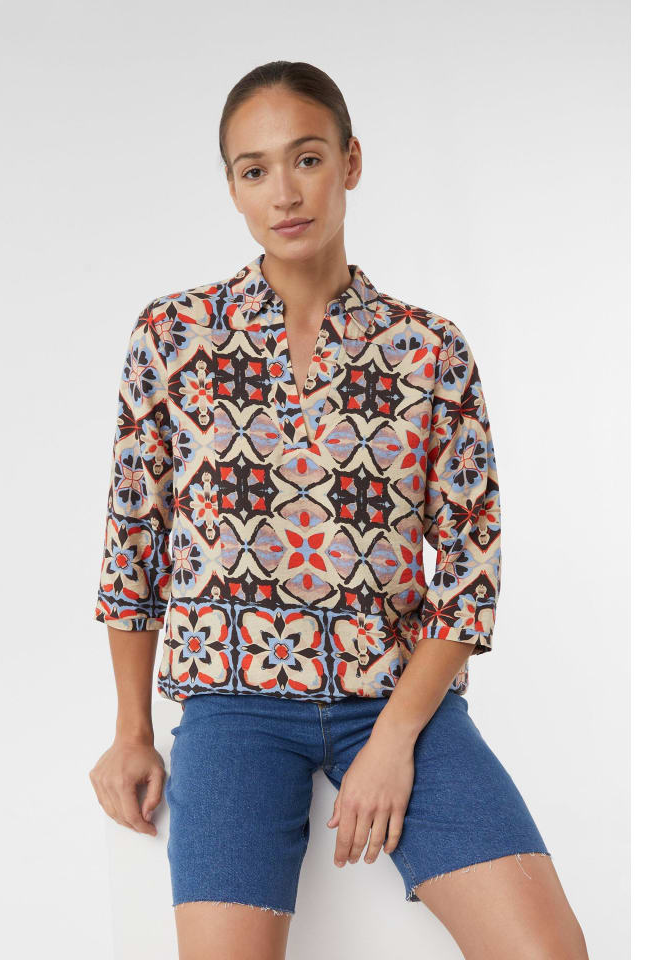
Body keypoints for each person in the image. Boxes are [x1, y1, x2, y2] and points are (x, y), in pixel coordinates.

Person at [89, 61, 588, 960]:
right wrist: (131, 731)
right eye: (254, 170)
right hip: (232, 703)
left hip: (393, 695)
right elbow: (135, 541)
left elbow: (470, 571)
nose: (284, 193)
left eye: (308, 158)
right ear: (233, 187)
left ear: (351, 162)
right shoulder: (172, 337)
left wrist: (395, 740)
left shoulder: (429, 351)